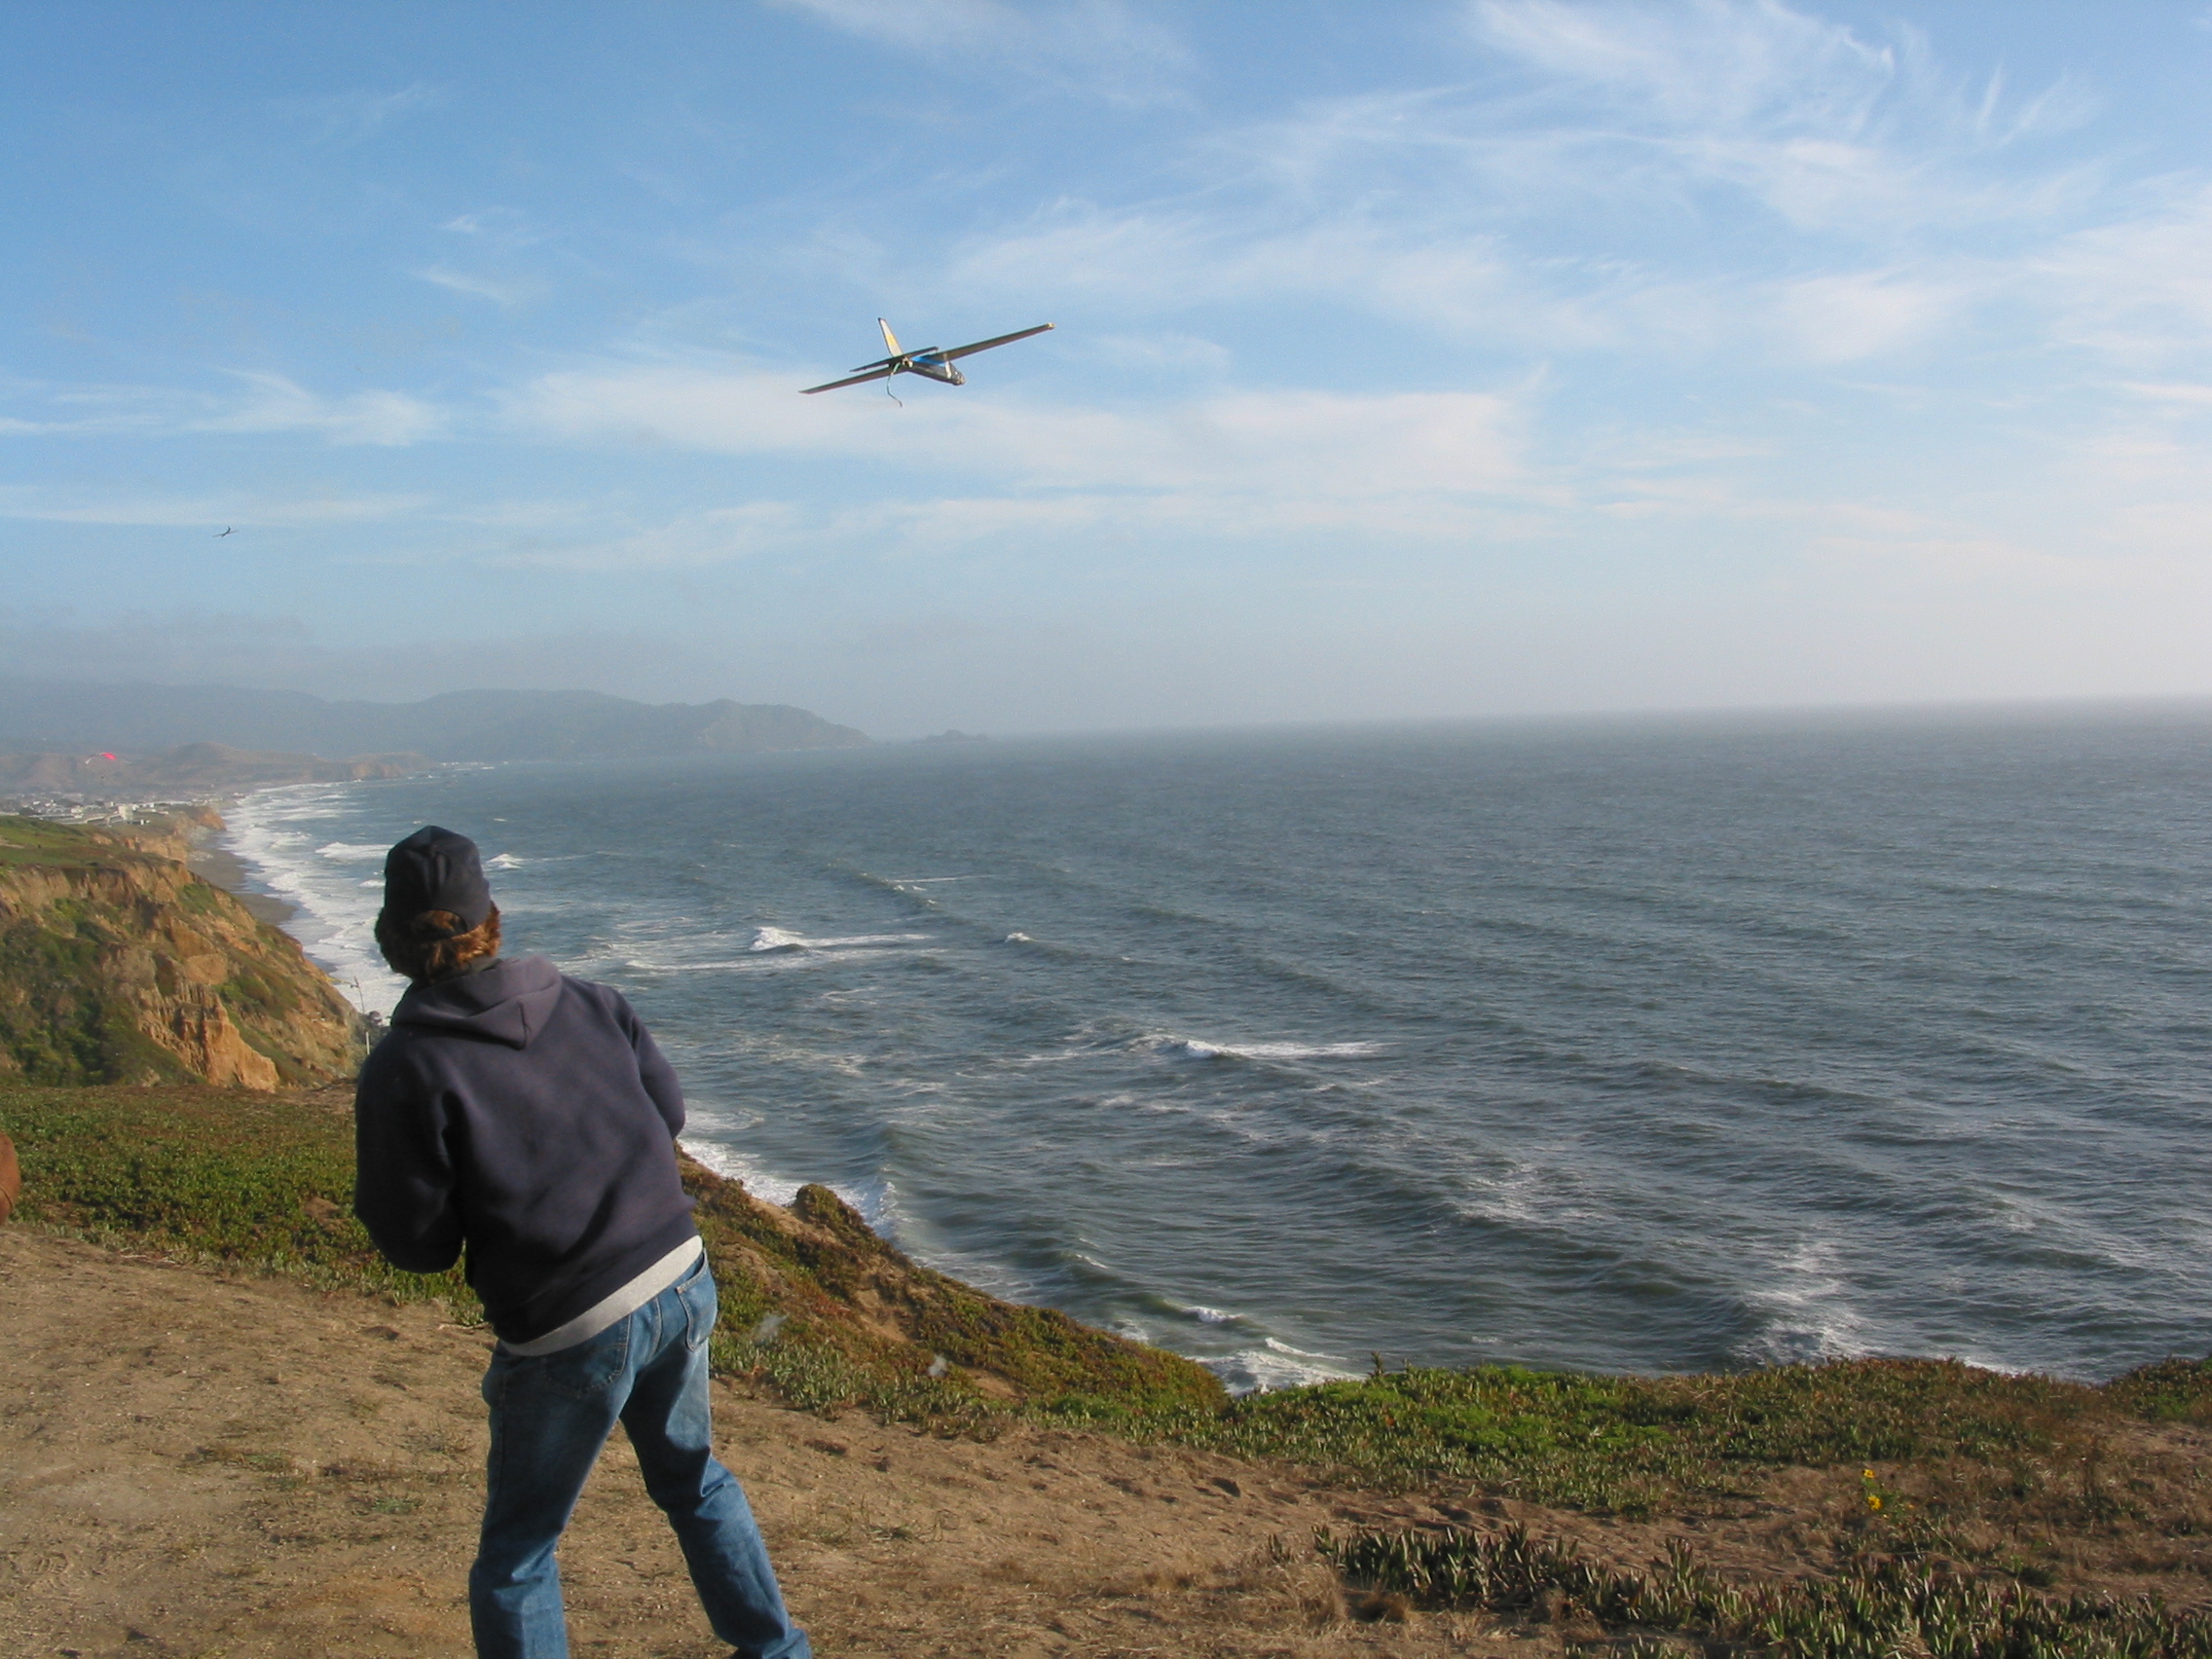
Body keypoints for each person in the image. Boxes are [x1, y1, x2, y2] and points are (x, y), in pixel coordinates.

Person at [353, 826, 807, 1659]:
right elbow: (665, 1117)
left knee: (519, 1556)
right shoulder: (593, 1001)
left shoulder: (406, 1068)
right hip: (678, 1272)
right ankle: (777, 1651)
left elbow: (416, 1245)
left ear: (391, 938)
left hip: (567, 1323)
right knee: (695, 1481)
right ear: (490, 917)